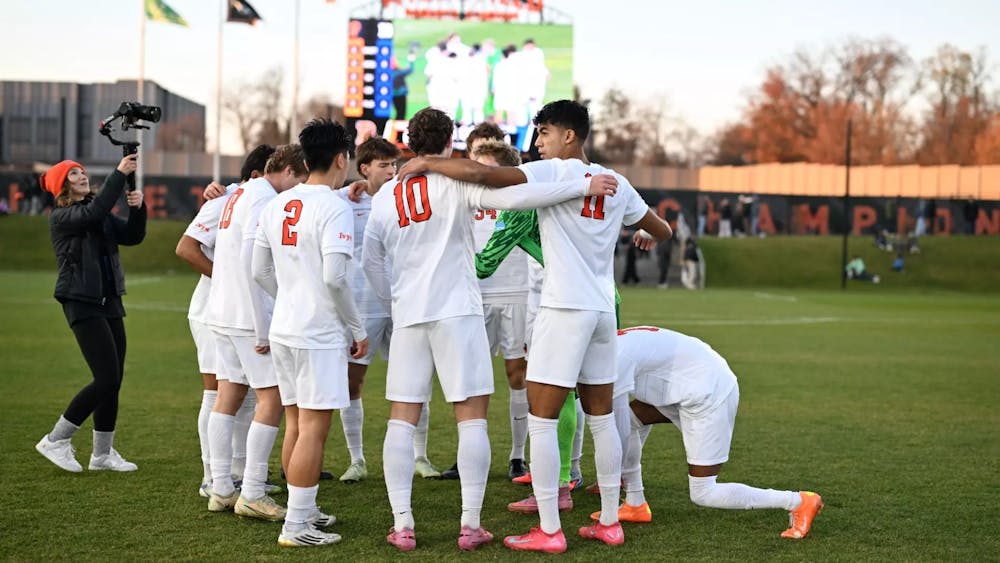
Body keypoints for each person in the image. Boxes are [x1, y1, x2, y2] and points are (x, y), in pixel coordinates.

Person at [397, 100, 672, 553]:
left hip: (563, 309)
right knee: (601, 417)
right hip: (603, 310)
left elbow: (484, 175)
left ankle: (549, 530)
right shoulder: (616, 182)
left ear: (569, 135)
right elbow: (662, 229)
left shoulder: (555, 171)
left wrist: (428, 163)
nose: (537, 142)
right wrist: (645, 233)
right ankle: (609, 521)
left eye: (544, 132)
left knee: (541, 421)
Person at [252, 118, 367, 547]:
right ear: (341, 159)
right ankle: (296, 525)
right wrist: (356, 327)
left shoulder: (277, 202)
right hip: (317, 332)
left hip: (285, 326)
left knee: (297, 424)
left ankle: (303, 508)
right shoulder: (334, 207)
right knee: (313, 429)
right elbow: (336, 278)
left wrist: (291, 297)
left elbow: (259, 270)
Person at [606, 326, 824, 539]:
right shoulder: (609, 346)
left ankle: (798, 501)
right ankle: (635, 504)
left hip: (709, 394)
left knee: (703, 492)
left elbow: (609, 427)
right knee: (631, 419)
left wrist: (610, 475)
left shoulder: (612, 359)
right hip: (690, 381)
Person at [203, 145, 308, 520]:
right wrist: (263, 327)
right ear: (289, 171)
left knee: (227, 395)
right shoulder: (264, 198)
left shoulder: (241, 191)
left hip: (222, 309)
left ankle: (220, 488)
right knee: (273, 398)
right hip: (248, 315)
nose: (301, 188)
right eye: (301, 179)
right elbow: (253, 262)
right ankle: (252, 492)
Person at [336, 137, 441, 483]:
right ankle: (357, 460)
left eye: (393, 164)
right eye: (383, 165)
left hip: (403, 303)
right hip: (362, 308)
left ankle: (420, 456)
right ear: (364, 168)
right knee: (352, 381)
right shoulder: (343, 200)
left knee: (417, 380)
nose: (391, 170)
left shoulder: (405, 195)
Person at [35, 154, 146, 473]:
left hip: (108, 301)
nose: (82, 176)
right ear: (62, 186)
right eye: (73, 174)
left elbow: (132, 236)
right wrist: (119, 174)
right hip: (80, 299)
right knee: (106, 378)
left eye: (82, 172)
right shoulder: (63, 216)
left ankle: (102, 455)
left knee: (114, 380)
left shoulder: (96, 212)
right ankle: (56, 439)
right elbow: (94, 212)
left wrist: (138, 209)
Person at [176, 145, 275, 497]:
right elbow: (186, 248)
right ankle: (211, 476)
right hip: (214, 309)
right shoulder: (225, 199)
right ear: (257, 176)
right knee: (216, 392)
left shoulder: (256, 201)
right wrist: (227, 279)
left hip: (236, 308)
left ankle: (238, 472)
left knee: (242, 394)